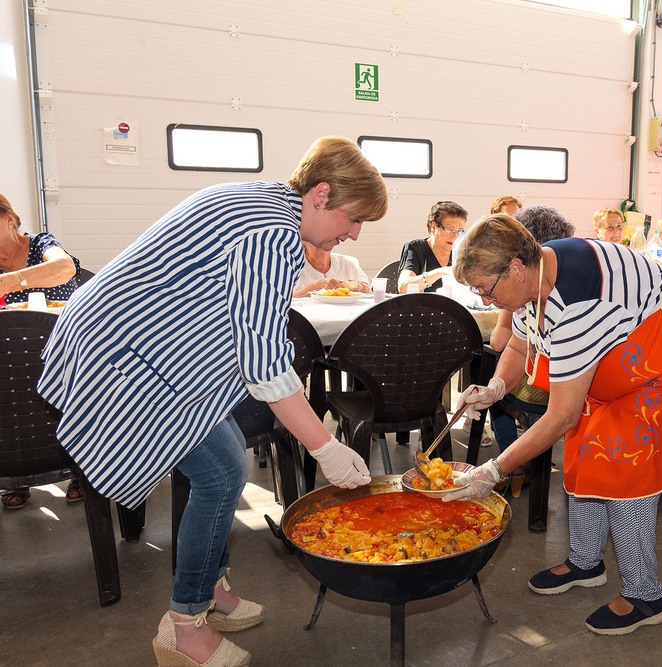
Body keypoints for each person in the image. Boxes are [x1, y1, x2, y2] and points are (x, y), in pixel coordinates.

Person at [37, 136, 387, 665]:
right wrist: (326, 448)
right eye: (353, 218)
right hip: (125, 357)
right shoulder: (272, 233)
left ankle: (209, 585)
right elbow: (267, 367)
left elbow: (247, 324)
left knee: (224, 463)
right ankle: (186, 623)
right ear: (320, 194)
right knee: (222, 475)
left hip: (146, 347)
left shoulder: (266, 199)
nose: (354, 234)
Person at [444, 214, 662, 635]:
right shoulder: (538, 270)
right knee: (586, 439)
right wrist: (496, 387)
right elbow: (523, 341)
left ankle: (645, 595)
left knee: (623, 464)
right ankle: (585, 560)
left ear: (516, 268)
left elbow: (559, 416)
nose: (485, 301)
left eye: (486, 290)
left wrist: (495, 469)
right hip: (633, 346)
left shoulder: (581, 303)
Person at [0, 193, 84, 508]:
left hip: (63, 349)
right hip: (12, 360)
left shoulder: (39, 244)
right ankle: (17, 472)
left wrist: (10, 282)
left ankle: (80, 469)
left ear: (9, 218)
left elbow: (65, 268)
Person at [486, 205, 575, 496]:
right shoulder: (538, 289)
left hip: (547, 390)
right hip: (564, 388)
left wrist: (495, 468)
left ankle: (516, 467)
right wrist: (497, 385)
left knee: (500, 399)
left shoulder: (534, 294)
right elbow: (518, 344)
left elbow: (500, 342)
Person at [397, 201, 466, 293]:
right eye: (450, 229)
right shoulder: (416, 248)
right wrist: (441, 272)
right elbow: (404, 288)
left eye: (460, 231)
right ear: (433, 227)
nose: (455, 236)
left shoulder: (461, 252)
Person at [292, 241, 371, 297]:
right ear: (303, 240)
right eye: (317, 236)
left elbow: (372, 296)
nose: (323, 241)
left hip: (348, 319)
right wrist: (314, 287)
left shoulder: (349, 263)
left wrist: (364, 288)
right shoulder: (292, 266)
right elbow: (283, 302)